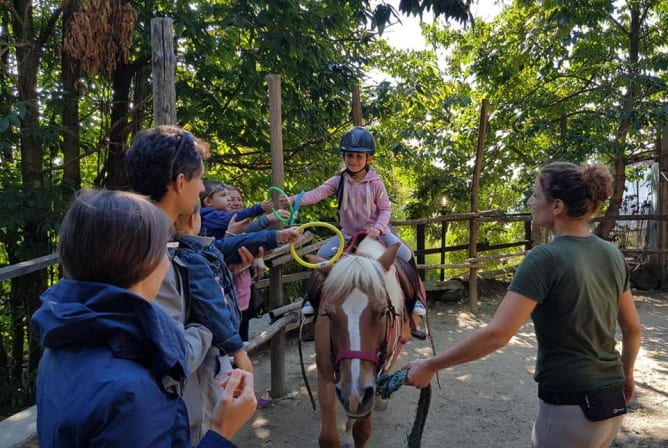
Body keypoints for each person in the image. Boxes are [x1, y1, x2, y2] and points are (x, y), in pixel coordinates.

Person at [406, 161, 642, 448]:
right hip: (610, 406)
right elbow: (632, 329)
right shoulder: (612, 254)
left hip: (568, 409)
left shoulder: (543, 259)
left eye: (535, 195)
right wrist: (626, 375)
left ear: (557, 206)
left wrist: (432, 364)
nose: (530, 202)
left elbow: (498, 334)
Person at [31, 188, 256, 447]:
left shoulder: (62, 342)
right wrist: (220, 432)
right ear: (147, 263)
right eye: (166, 249)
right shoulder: (132, 391)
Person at [126, 125, 300, 444]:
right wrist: (224, 341)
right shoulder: (159, 258)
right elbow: (170, 358)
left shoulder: (140, 241)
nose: (203, 186)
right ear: (181, 182)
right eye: (200, 178)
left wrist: (269, 238)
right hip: (180, 409)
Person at [282, 126, 426, 328]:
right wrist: (292, 199)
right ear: (344, 156)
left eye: (359, 156)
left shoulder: (376, 183)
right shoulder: (338, 181)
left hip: (377, 234)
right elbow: (316, 194)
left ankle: (415, 299)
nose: (354, 160)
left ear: (369, 159)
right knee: (322, 258)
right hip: (348, 235)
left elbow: (385, 209)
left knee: (405, 255)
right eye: (350, 155)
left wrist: (378, 227)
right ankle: (312, 302)